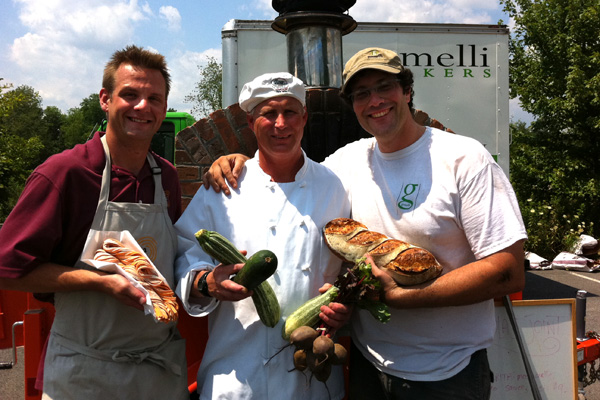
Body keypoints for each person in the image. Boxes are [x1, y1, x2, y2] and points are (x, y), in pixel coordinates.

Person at [203, 47, 528, 400]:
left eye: (384, 87)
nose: (374, 100)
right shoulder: (347, 163)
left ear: (406, 91)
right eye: (361, 94)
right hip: (367, 368)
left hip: (448, 373)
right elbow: (292, 178)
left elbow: (508, 271)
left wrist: (403, 297)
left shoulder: (465, 159)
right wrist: (240, 164)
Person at [0, 45, 189, 399]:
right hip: (85, 374)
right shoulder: (65, 173)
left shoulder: (167, 177)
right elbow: (6, 271)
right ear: (105, 99)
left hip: (158, 372)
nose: (142, 107)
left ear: (164, 108)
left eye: (154, 98)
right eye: (129, 95)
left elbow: (174, 261)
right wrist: (98, 282)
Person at [174, 72, 351, 400]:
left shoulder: (335, 186)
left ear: (305, 119)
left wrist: (343, 302)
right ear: (251, 122)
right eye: (269, 113)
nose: (280, 124)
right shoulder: (224, 187)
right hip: (237, 376)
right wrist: (204, 283)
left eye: (290, 112)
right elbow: (184, 252)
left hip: (313, 377)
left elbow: (347, 266)